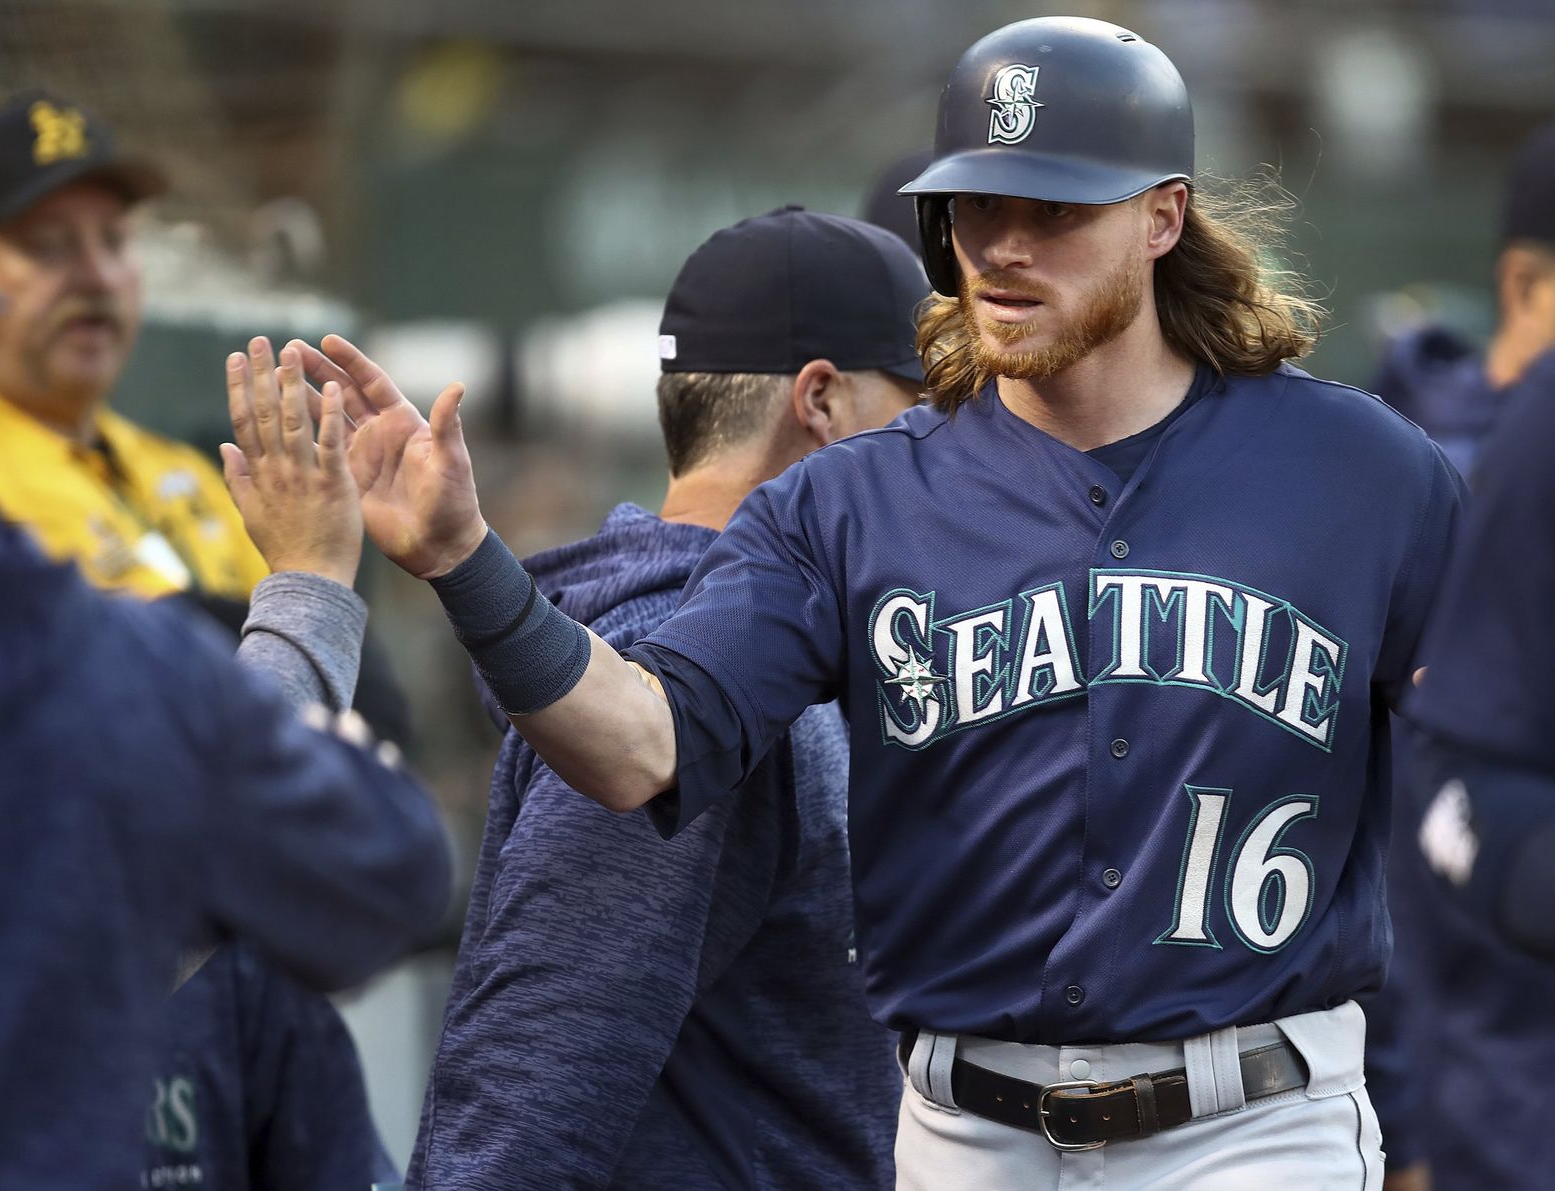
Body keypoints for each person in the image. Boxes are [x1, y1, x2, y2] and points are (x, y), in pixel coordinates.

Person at [293, 17, 1461, 1187]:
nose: (1004, 247)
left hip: (1251, 1122)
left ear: (1162, 217)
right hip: (965, 1131)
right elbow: (642, 746)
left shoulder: (1361, 473)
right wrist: (466, 561)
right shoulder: (853, 502)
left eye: (1053, 211)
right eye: (977, 208)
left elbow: (1487, 757)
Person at [408, 207, 922, 1189]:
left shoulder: (758, 649)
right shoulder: (685, 665)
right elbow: (526, 1097)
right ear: (824, 404)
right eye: (923, 407)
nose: (948, 451)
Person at [0, 89, 411, 1187]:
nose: (93, 273)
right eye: (45, 244)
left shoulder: (195, 474)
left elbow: (379, 726)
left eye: (112, 241)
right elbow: (171, 757)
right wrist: (301, 588)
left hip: (250, 992)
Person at [1363, 120, 1555, 1191]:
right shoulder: (1477, 463)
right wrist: (1405, 1124)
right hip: (1493, 1085)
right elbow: (1435, 803)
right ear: (1523, 285)